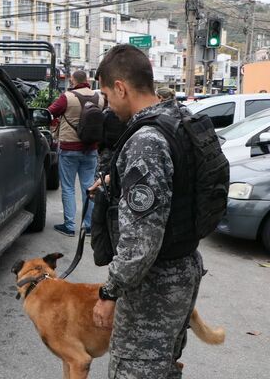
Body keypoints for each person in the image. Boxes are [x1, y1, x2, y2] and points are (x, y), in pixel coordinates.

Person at [91, 44, 205, 378]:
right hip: (183, 269)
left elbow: (141, 242)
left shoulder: (146, 141)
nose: (107, 105)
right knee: (164, 366)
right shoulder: (179, 119)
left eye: (107, 94)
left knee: (136, 369)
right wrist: (117, 180)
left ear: (121, 88)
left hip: (153, 286)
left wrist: (109, 292)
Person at [47, 70, 104, 236]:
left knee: (68, 188)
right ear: (87, 80)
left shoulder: (67, 97)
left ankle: (70, 226)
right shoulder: (99, 98)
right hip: (91, 148)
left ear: (72, 80)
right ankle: (88, 226)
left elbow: (50, 112)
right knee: (89, 187)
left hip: (69, 149)